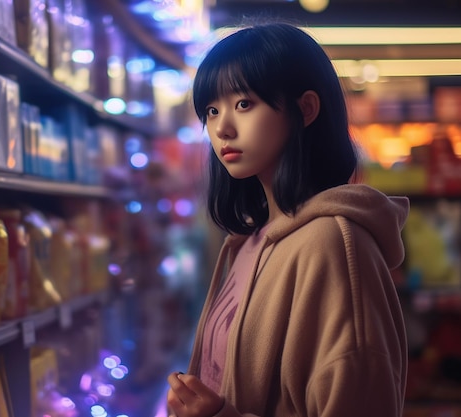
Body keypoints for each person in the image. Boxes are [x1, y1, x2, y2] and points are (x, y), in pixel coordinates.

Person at [166, 21, 409, 417]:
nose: (222, 128)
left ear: (306, 108)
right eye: (211, 110)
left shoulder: (333, 243)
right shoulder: (251, 241)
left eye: (244, 103)